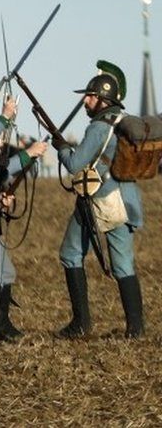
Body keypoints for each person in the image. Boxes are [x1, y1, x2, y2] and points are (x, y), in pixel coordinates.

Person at [54, 61, 144, 339]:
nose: (86, 100)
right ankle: (136, 328)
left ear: (103, 99)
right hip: (126, 201)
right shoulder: (121, 121)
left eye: (91, 96)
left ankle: (81, 323)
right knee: (123, 266)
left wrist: (62, 149)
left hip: (100, 203)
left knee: (70, 255)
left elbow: (75, 164)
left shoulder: (98, 128)